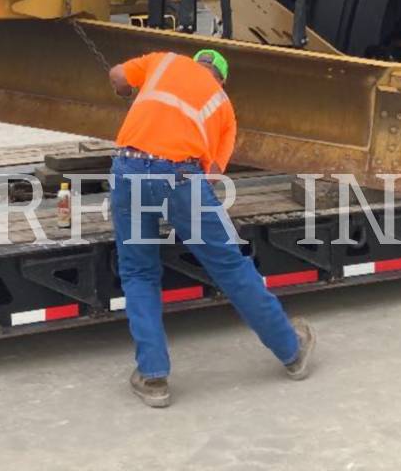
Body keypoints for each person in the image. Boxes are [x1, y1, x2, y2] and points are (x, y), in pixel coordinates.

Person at [107, 47, 315, 408]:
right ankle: (292, 351)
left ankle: (153, 377)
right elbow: (213, 175)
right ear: (222, 79)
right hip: (183, 176)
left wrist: (125, 91)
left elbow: (116, 76)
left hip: (129, 169)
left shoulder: (166, 60)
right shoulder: (224, 109)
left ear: (196, 61)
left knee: (139, 272)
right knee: (231, 267)